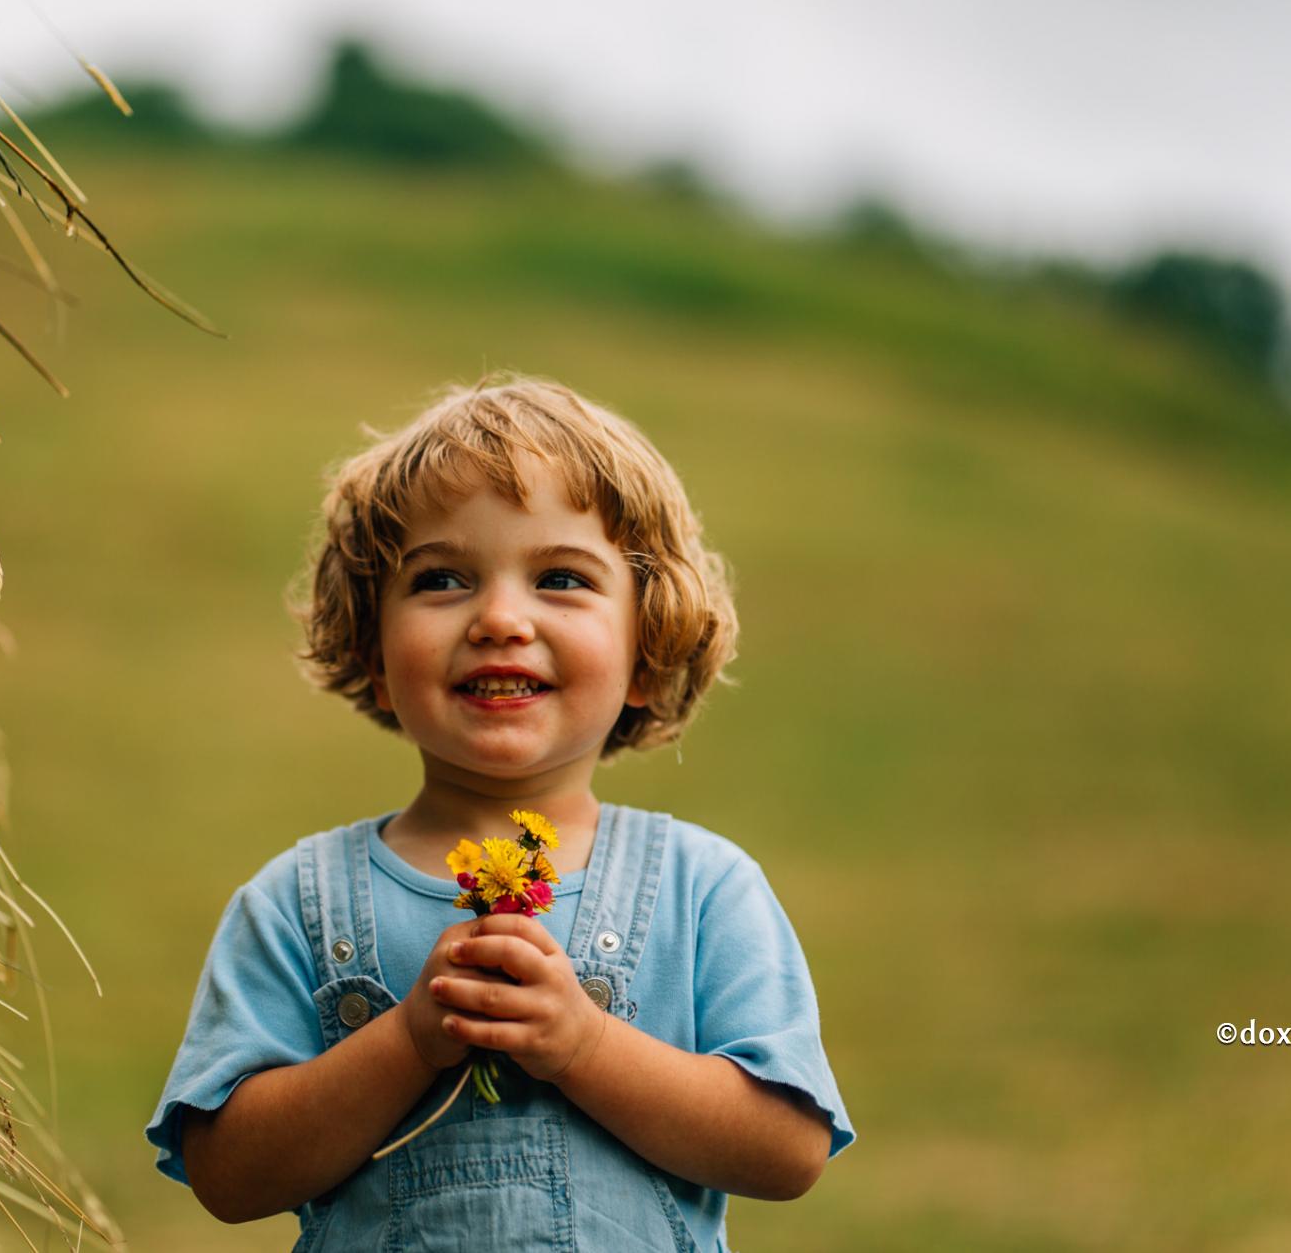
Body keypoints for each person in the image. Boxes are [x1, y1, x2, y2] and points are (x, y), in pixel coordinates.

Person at [145, 374, 854, 1249]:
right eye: (442, 579)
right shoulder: (295, 900)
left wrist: (584, 1046)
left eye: (560, 578)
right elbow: (226, 1175)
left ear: (647, 650)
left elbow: (788, 1149)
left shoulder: (704, 888)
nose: (500, 618)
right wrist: (410, 1039)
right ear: (373, 653)